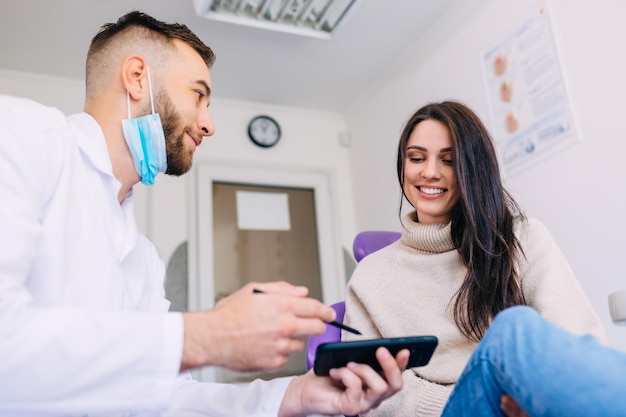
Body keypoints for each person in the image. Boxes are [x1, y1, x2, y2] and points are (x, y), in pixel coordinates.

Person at [0, 11, 410, 417]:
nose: (209, 124)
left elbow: (166, 397)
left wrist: (297, 396)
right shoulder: (23, 138)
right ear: (137, 77)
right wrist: (206, 335)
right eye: (198, 95)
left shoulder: (140, 255)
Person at [342, 100, 608, 416]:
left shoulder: (522, 238)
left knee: (524, 332)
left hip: (532, 399)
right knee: (514, 325)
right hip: (448, 411)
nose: (429, 172)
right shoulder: (371, 275)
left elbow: (578, 340)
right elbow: (365, 389)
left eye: (449, 160)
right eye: (416, 158)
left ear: (473, 169)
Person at [441, 305, 626, 417]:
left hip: (525, 395)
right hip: (496, 399)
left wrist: (544, 401)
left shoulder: (515, 241)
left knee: (512, 330)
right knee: (511, 330)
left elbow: (575, 344)